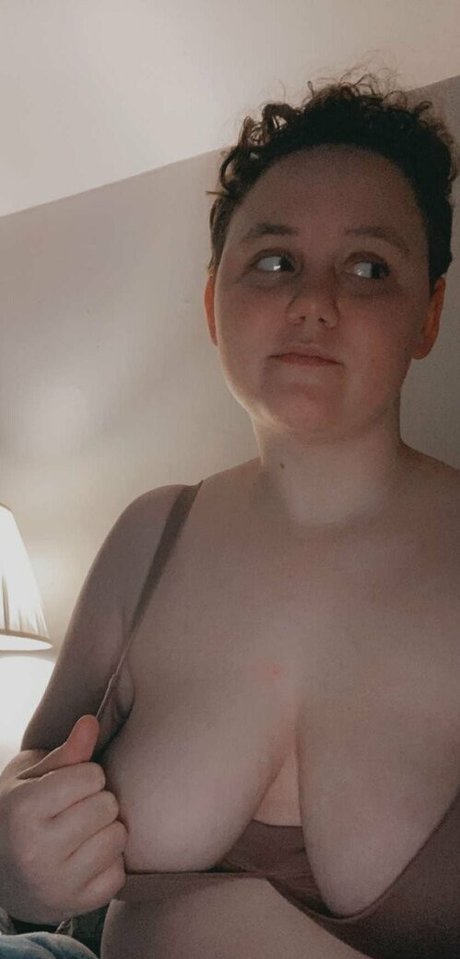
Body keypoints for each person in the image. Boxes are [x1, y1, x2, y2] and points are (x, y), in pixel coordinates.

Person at [0, 70, 459, 959]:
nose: (314, 300)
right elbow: (35, 767)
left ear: (428, 313)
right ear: (215, 304)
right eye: (275, 260)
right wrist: (14, 858)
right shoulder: (150, 537)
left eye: (369, 267)